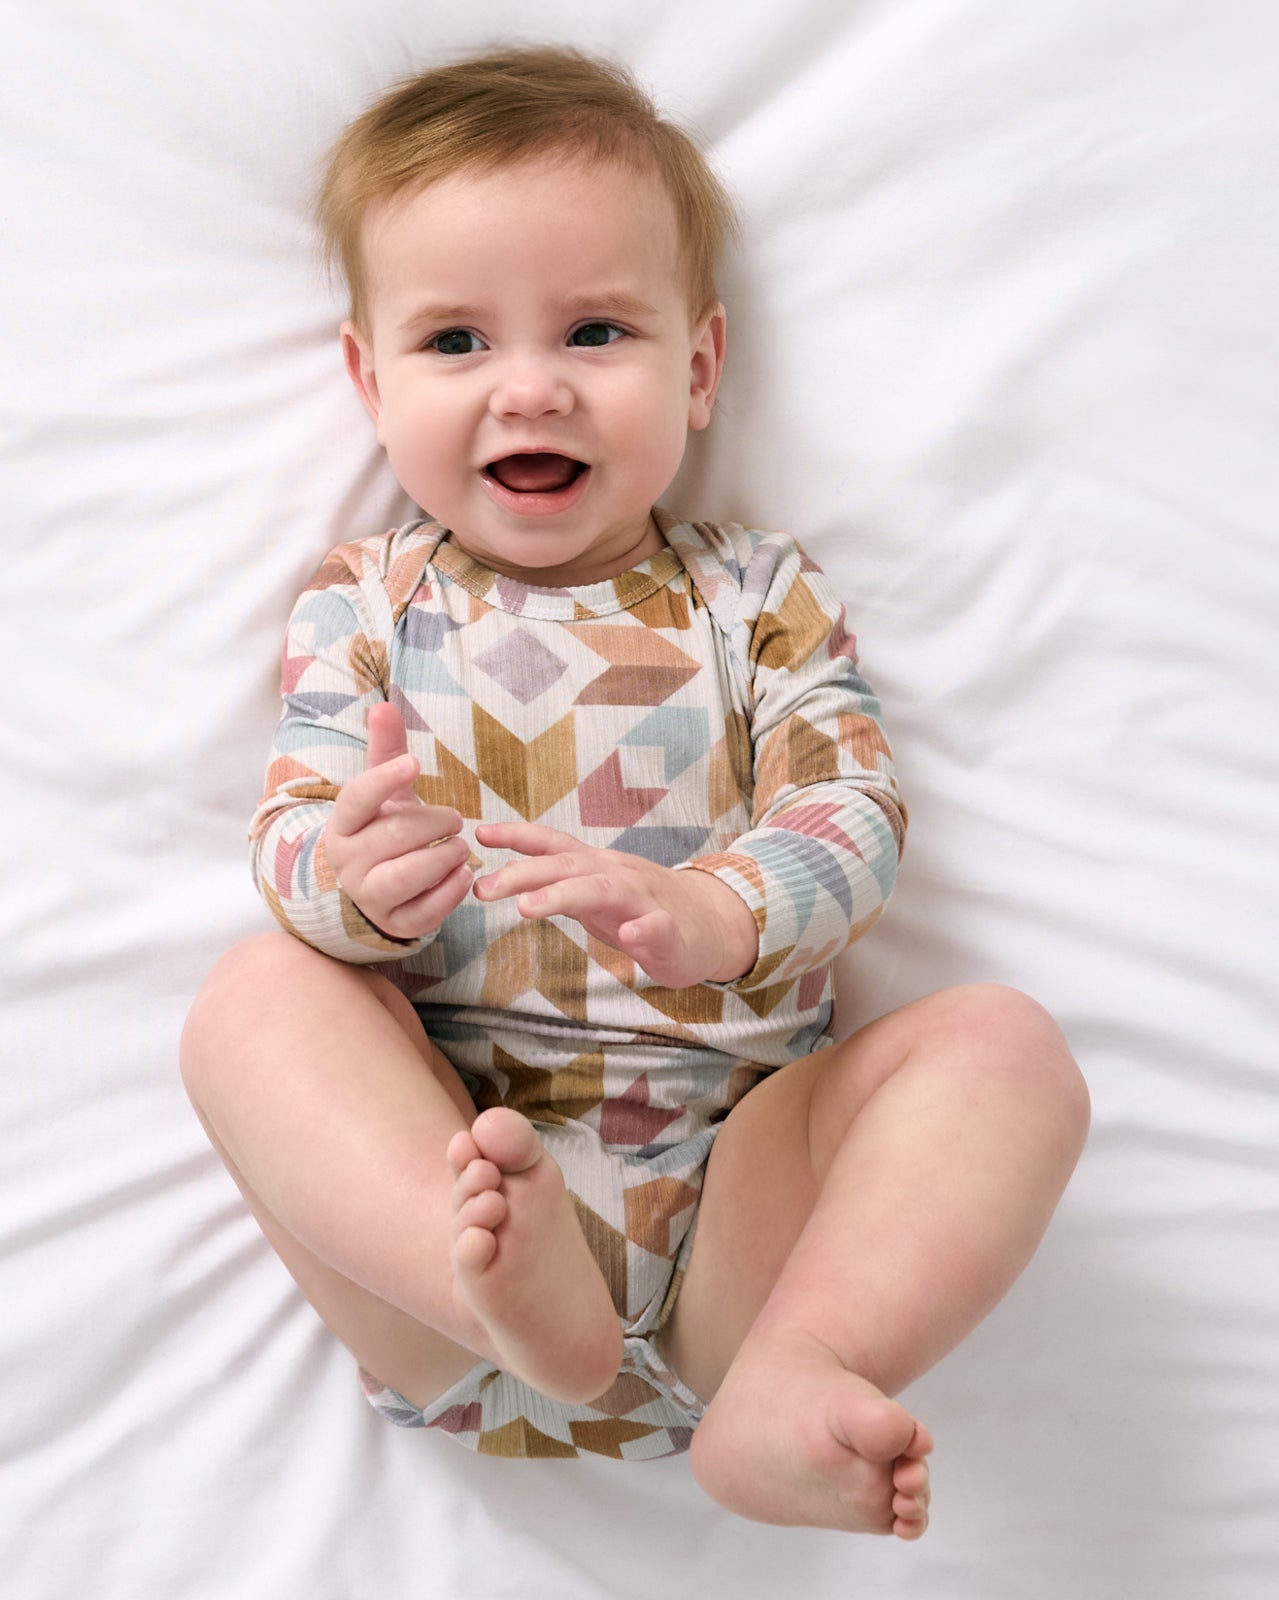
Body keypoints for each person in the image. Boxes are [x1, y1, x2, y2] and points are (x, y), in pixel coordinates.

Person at [180, 45, 1090, 1538]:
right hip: (452, 1200)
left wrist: (718, 910)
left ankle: (804, 1367)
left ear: (701, 367)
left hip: (738, 1214)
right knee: (250, 1001)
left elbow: (854, 813)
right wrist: (345, 886)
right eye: (456, 340)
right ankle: (498, 1281)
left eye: (595, 330)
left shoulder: (756, 596)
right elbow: (290, 832)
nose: (531, 386)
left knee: (1007, 1049)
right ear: (369, 381)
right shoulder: (365, 600)